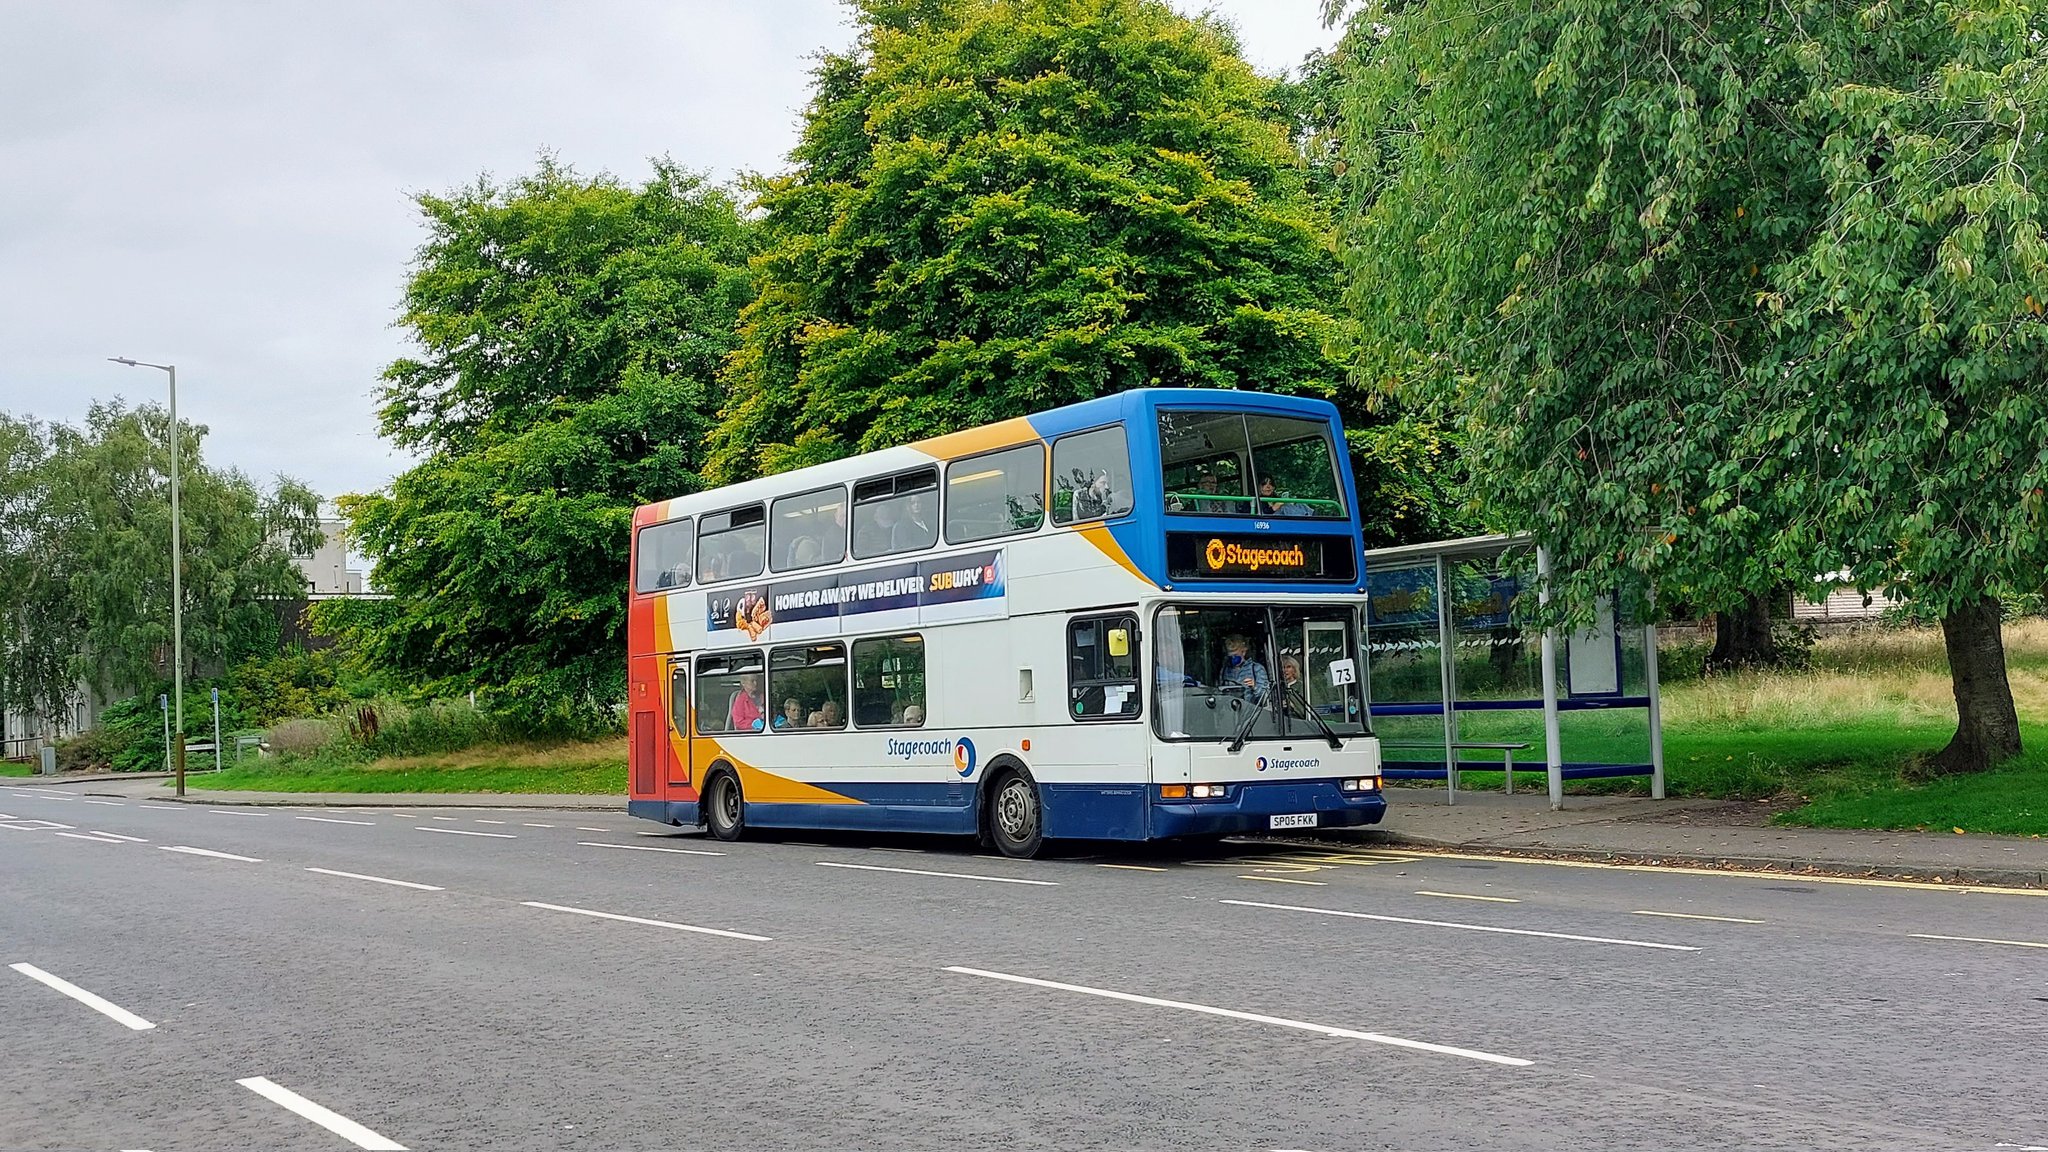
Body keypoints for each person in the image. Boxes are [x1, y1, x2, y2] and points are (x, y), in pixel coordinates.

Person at [1216, 633, 1270, 702]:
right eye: (1230, 655)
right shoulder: (1224, 670)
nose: (1233, 657)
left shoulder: (1256, 669)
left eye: (1235, 655)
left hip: (1251, 711)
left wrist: (1255, 687)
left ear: (1243, 652)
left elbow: (1266, 697)